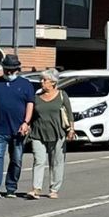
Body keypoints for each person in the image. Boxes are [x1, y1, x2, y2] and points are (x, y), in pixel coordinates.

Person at [0, 55, 36, 199]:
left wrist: (26, 122)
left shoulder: (26, 85)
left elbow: (30, 104)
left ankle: (11, 187)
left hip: (18, 130)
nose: (9, 73)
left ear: (17, 69)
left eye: (12, 70)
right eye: (7, 70)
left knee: (16, 159)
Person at [26, 69, 73, 200]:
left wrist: (71, 130)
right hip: (38, 133)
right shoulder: (36, 97)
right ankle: (36, 189)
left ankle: (54, 189)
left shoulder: (62, 95)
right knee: (38, 160)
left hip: (58, 133)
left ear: (53, 82)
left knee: (56, 162)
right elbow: (30, 113)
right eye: (41, 79)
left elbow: (69, 113)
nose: (41, 82)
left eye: (44, 80)